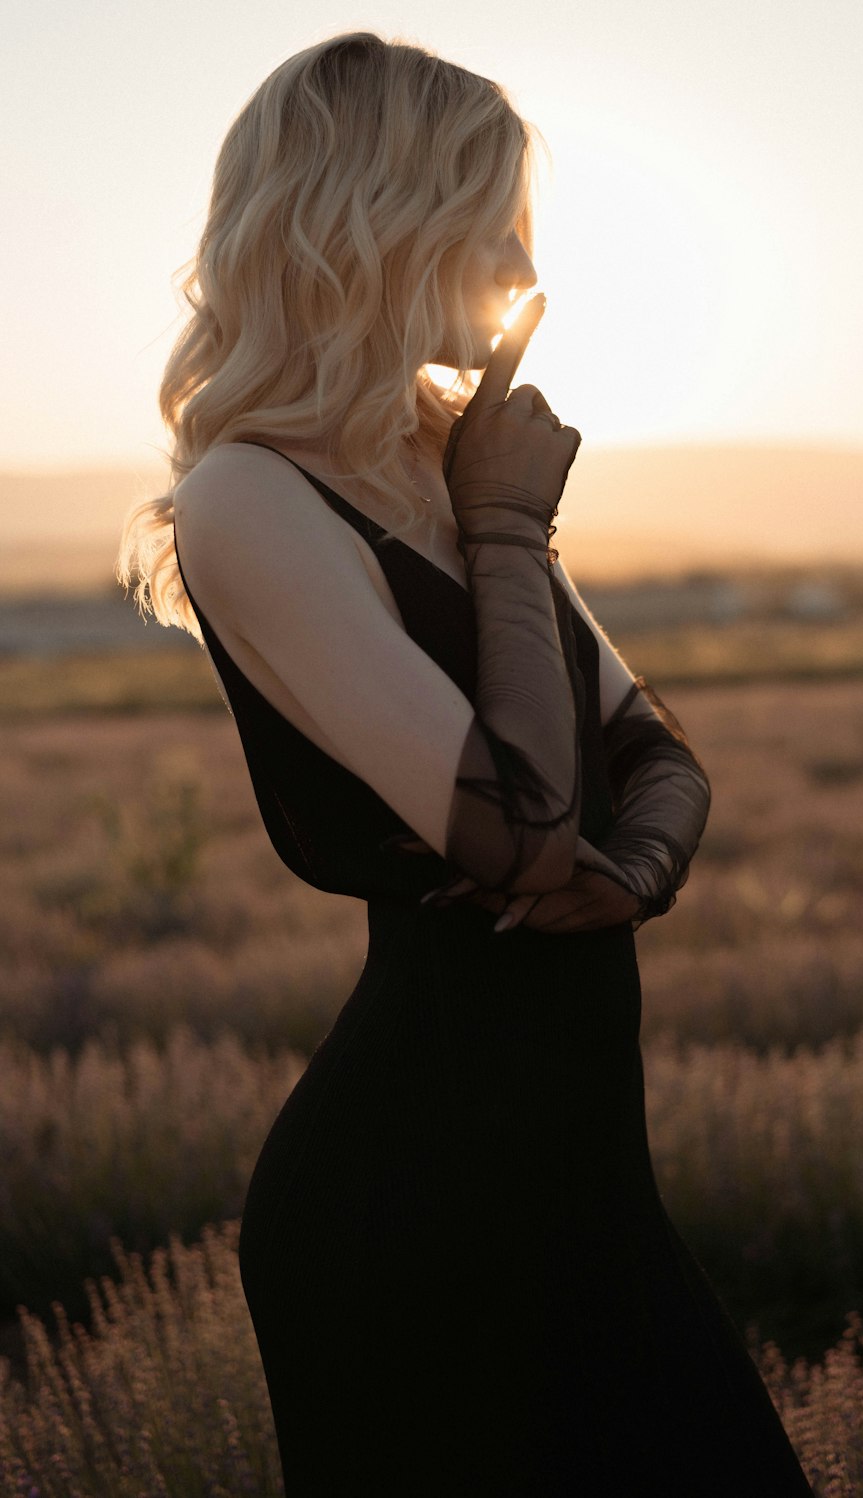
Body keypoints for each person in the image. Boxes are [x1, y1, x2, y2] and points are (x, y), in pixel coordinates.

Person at [118, 32, 813, 1497]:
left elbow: (659, 753)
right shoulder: (247, 494)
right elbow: (511, 827)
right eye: (486, 214)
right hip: (407, 1213)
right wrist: (508, 528)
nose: (516, 258)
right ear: (374, 218)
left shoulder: (442, 450)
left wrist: (628, 876)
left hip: (586, 1196)